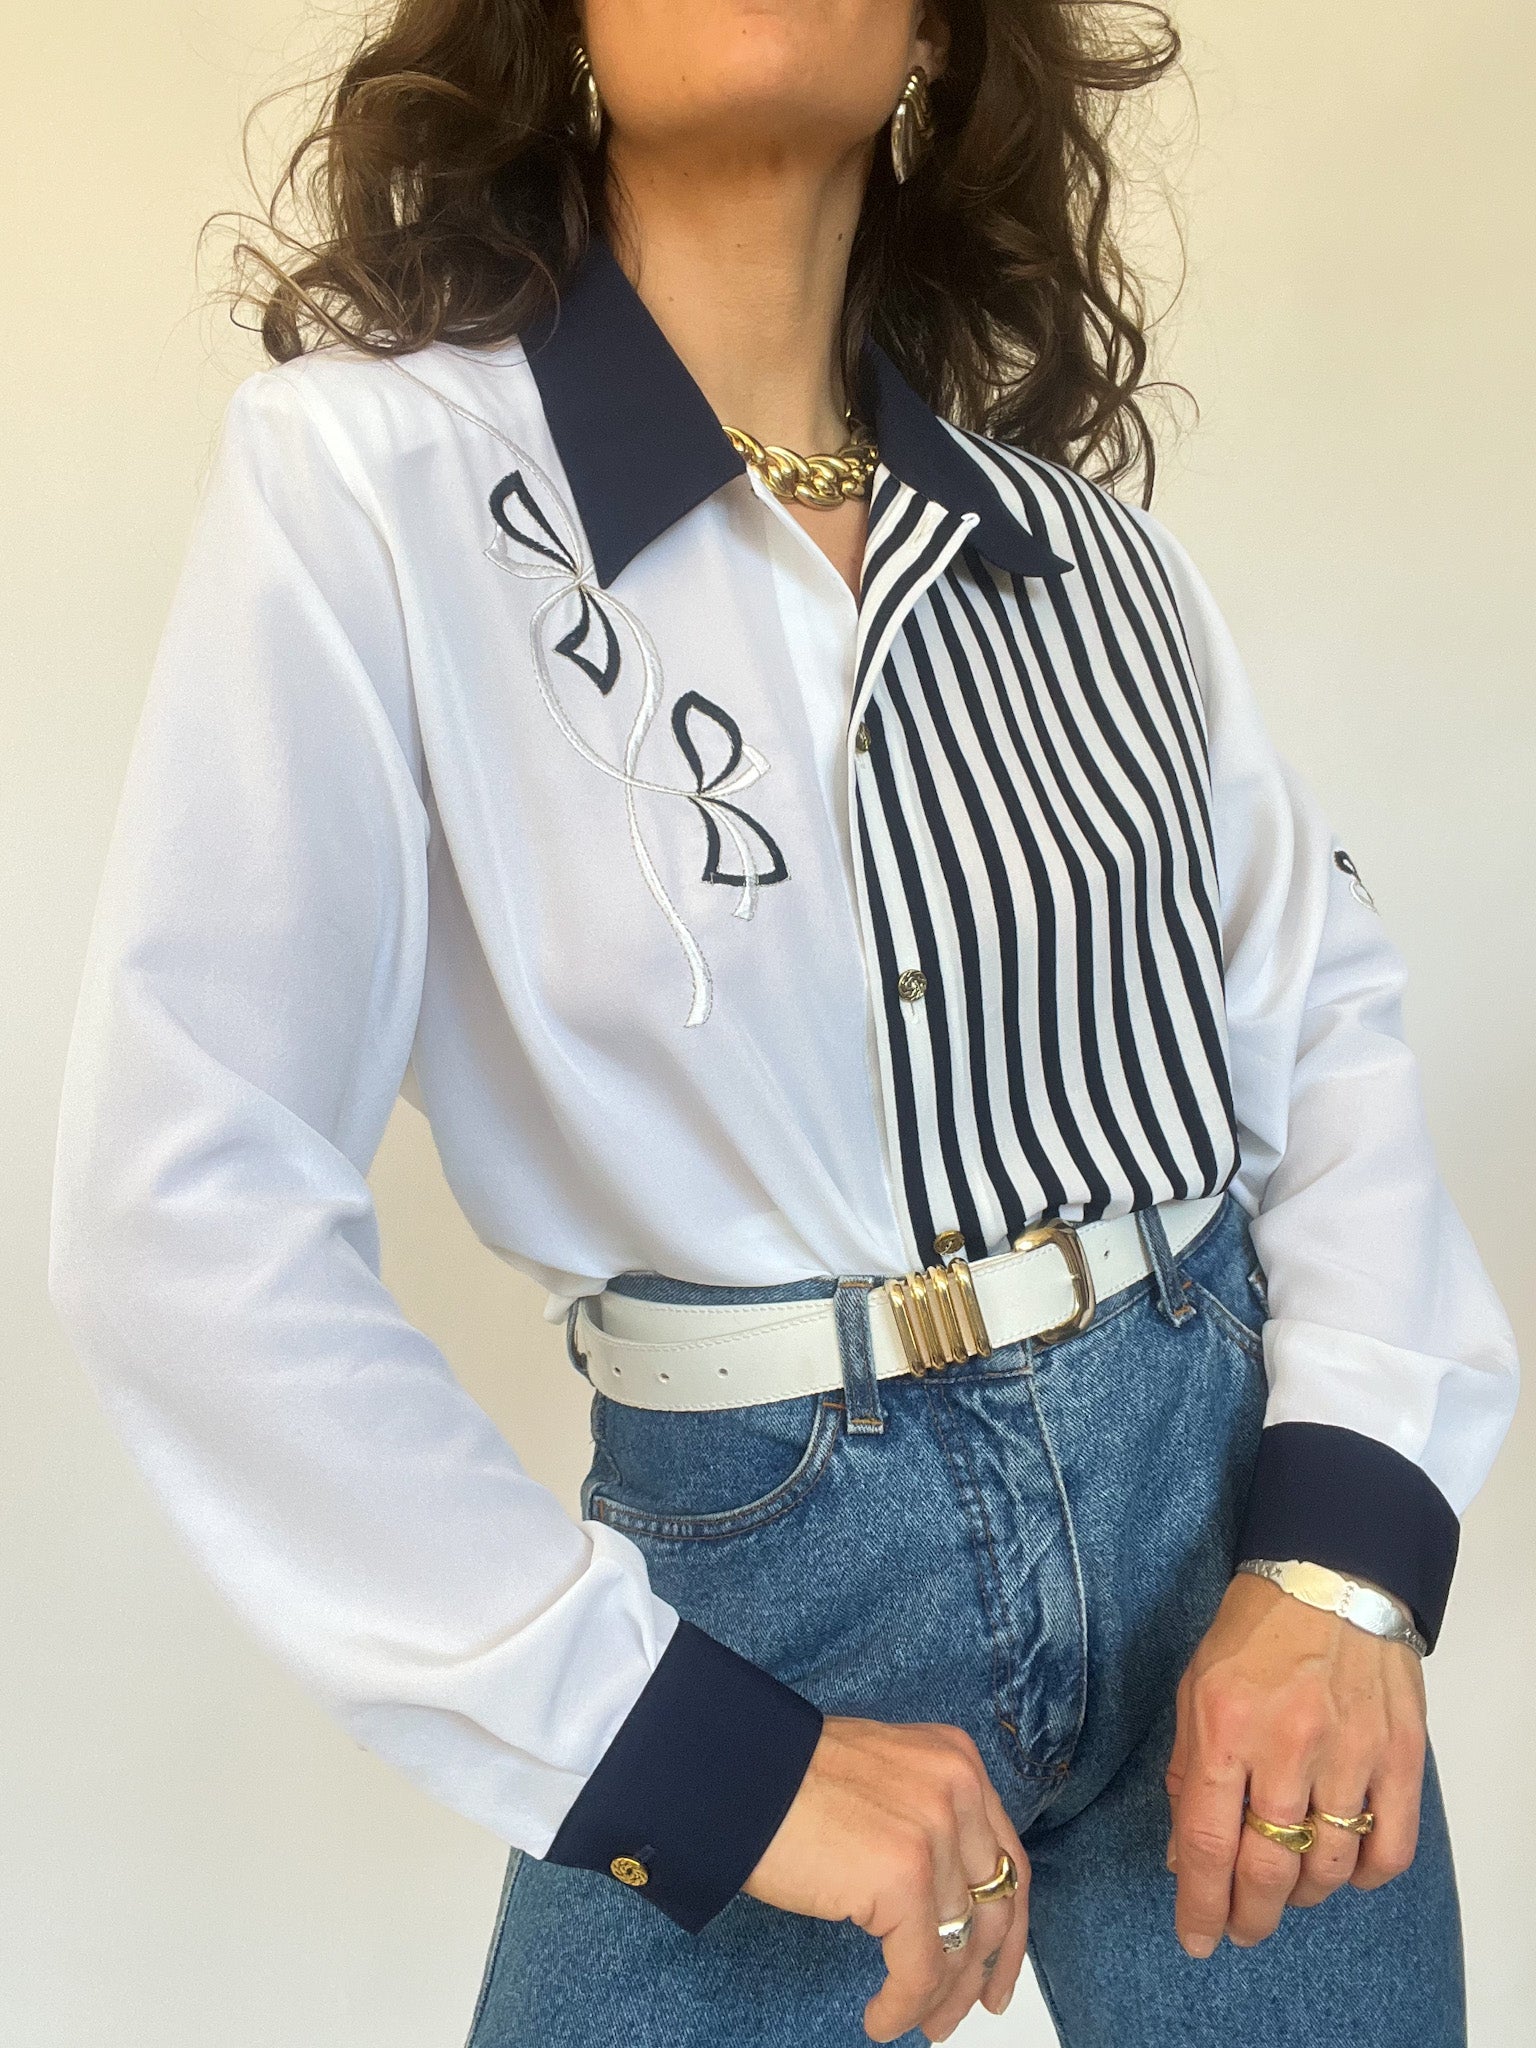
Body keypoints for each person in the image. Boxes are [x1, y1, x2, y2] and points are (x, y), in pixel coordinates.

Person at [47, 3, 1518, 2044]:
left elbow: (1320, 1021)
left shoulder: (1090, 556)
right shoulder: (374, 479)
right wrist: (672, 1751)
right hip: (764, 1564)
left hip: (1222, 1511)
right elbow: (182, 1208)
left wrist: (1342, 1560)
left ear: (934, 38)